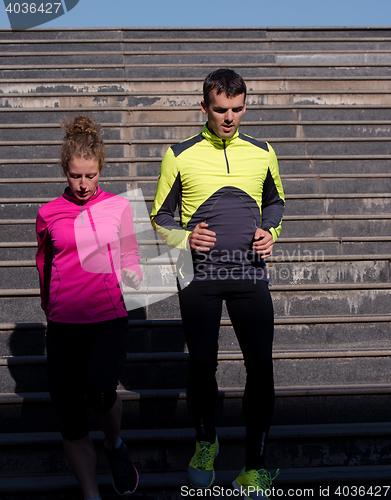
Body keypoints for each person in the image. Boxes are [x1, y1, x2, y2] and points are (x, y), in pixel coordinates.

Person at [150, 68, 285, 499]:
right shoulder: (178, 154)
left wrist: (270, 233)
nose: (229, 118)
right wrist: (187, 237)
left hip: (248, 273)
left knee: (260, 369)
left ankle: (255, 467)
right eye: (221, 110)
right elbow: (159, 217)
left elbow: (276, 201)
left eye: (238, 109)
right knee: (202, 365)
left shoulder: (263, 151)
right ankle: (206, 441)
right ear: (204, 106)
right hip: (200, 277)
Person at [36, 115, 142, 500]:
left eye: (91, 176)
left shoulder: (119, 207)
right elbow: (44, 265)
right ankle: (91, 495)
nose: (83, 185)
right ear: (66, 170)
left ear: (101, 171)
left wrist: (132, 273)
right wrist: (49, 308)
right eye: (76, 176)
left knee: (99, 391)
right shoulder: (48, 213)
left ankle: (114, 445)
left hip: (108, 318)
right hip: (64, 323)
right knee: (70, 417)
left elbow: (131, 252)